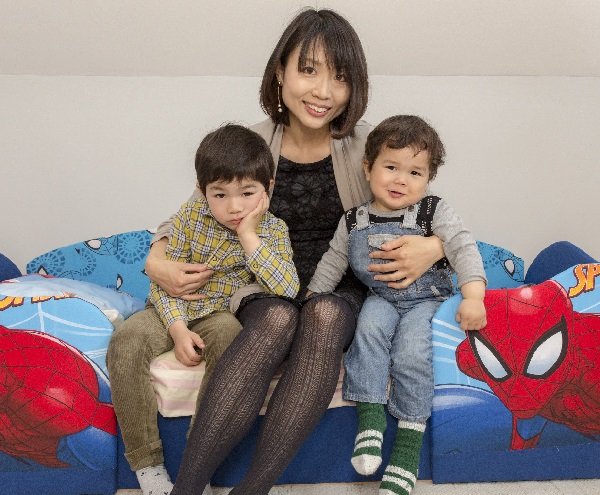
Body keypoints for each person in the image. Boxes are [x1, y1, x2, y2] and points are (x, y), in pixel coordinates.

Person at [147, 9, 445, 495]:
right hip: (264, 282)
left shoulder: (371, 144)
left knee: (323, 314)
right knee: (278, 317)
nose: (323, 91)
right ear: (281, 72)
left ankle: (253, 489)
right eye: (308, 70)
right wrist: (156, 260)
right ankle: (187, 488)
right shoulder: (252, 143)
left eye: (340, 77)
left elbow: (432, 210)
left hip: (342, 285)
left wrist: (433, 246)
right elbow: (189, 215)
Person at [107, 123, 299, 495]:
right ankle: (147, 465)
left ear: (268, 189)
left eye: (248, 193)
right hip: (169, 308)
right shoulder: (189, 218)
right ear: (202, 190)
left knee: (230, 338)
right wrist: (177, 328)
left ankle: (201, 464)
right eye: (219, 194)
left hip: (218, 313)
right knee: (126, 340)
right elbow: (164, 282)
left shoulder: (273, 230)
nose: (235, 206)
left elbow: (287, 288)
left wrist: (248, 236)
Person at [308, 115, 487, 495]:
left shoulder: (432, 211)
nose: (401, 180)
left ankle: (407, 446)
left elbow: (463, 246)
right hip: (382, 298)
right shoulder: (353, 220)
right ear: (368, 168)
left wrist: (474, 296)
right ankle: (370, 419)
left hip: (426, 299)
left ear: (428, 179)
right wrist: (311, 299)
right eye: (391, 167)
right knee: (368, 332)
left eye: (415, 172)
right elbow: (332, 261)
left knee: (410, 353)